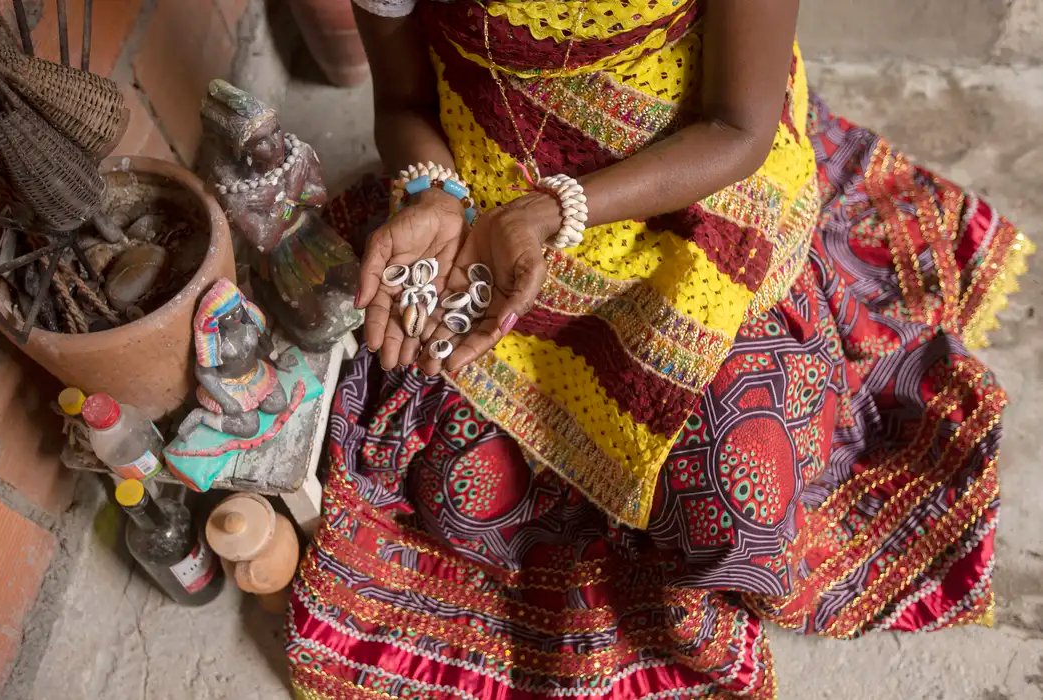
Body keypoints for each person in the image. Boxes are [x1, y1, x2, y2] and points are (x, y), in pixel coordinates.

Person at [287, 1, 1033, 697]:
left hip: (690, 201)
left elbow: (738, 129)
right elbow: (406, 104)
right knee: (460, 489)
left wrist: (555, 211)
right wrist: (433, 192)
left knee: (741, 505)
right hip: (491, 211)